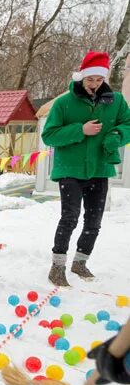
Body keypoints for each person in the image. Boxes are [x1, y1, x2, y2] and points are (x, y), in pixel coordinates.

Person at [42, 51, 130, 287]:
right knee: (69, 218)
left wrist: (117, 135)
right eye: (90, 79)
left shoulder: (116, 101)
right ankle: (57, 267)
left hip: (100, 169)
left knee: (94, 221)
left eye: (99, 80)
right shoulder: (63, 103)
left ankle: (80, 262)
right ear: (82, 76)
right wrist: (80, 130)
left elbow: (128, 124)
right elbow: (49, 135)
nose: (94, 84)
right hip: (70, 169)